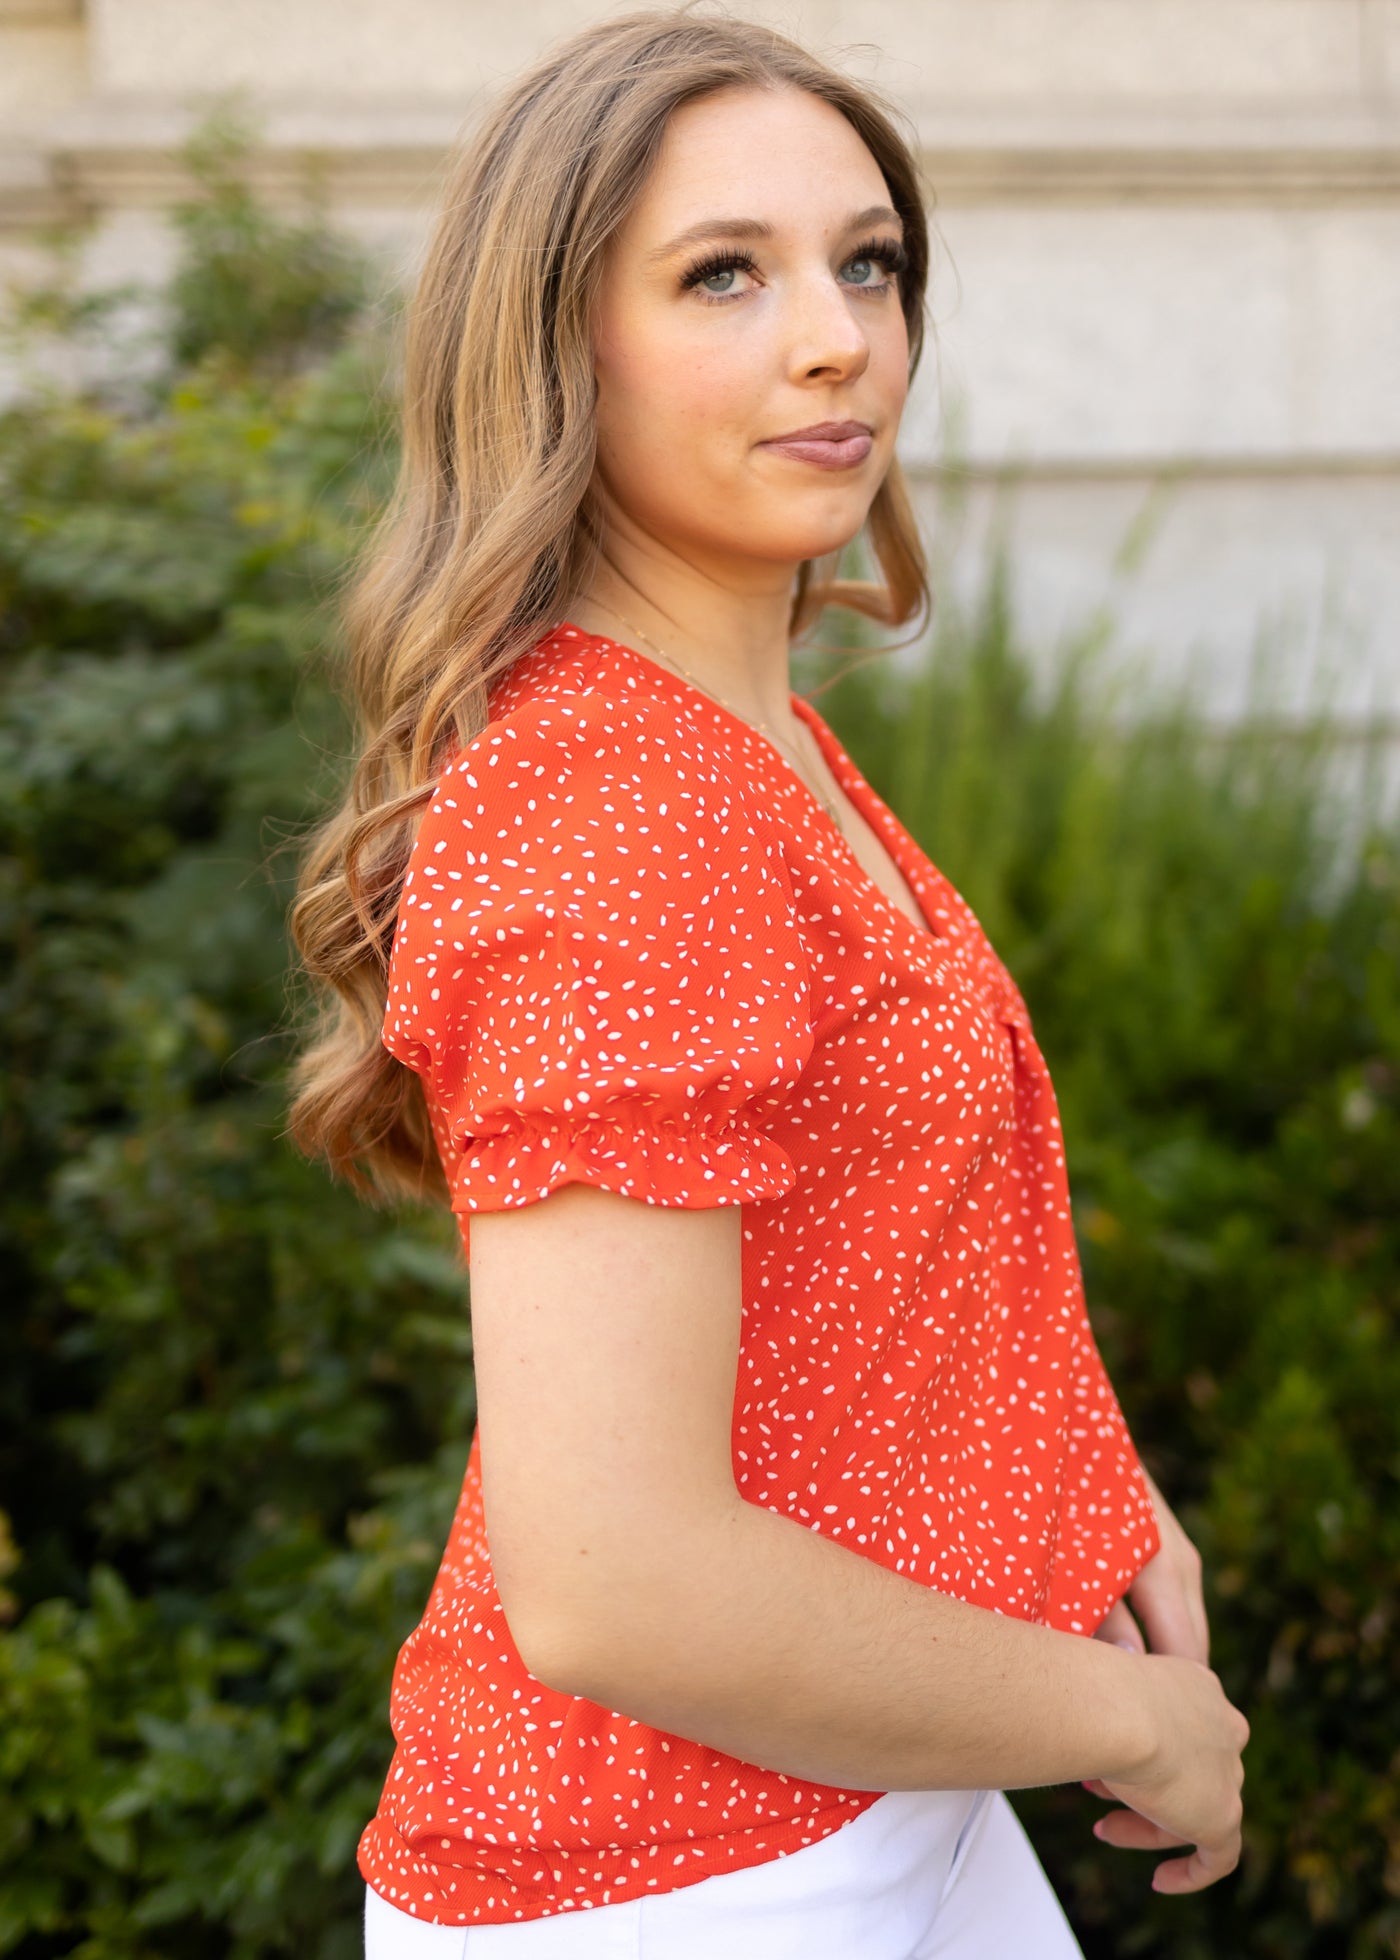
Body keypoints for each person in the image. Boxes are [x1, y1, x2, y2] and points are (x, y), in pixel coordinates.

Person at [287, 8, 1250, 1954]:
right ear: (557, 343)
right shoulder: (618, 809)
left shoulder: (745, 741)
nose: (836, 336)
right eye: (722, 272)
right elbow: (617, 1582)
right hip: (668, 1880)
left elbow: (882, 1233)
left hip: (866, 1793)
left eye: (865, 260)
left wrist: (1086, 1485)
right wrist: (1126, 1713)